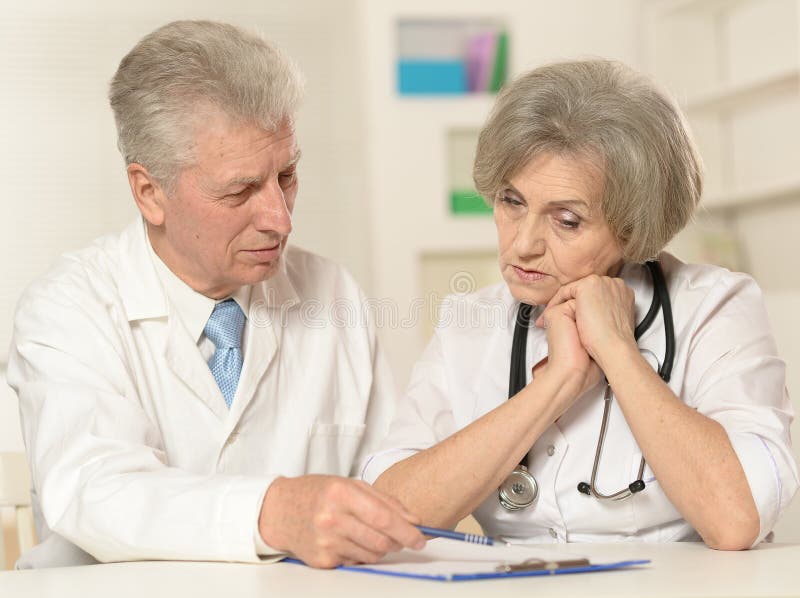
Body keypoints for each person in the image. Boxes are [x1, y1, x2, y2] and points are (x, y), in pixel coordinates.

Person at [7, 20, 424, 569]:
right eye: (240, 190)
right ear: (149, 192)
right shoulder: (68, 309)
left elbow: (386, 485)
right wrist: (272, 510)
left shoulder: (333, 294)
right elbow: (94, 491)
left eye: (287, 175)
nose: (279, 219)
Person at [362, 59, 798, 550]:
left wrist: (619, 354)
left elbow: (737, 518)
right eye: (512, 201)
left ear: (632, 226)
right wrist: (559, 383)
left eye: (566, 220)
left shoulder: (713, 308)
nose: (523, 243)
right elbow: (387, 516)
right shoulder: (472, 322)